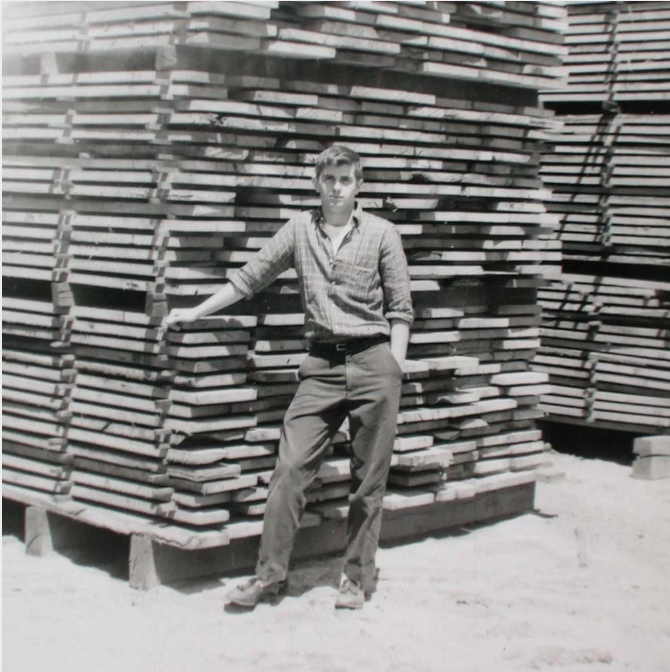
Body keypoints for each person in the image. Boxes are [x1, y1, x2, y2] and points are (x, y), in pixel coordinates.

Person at [167, 145, 413, 609]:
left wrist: (394, 368)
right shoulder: (300, 229)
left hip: (374, 362)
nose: (337, 187)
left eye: (346, 179)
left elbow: (401, 308)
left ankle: (356, 580)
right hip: (319, 367)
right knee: (290, 469)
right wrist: (195, 311)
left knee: (368, 482)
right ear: (316, 183)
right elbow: (250, 277)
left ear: (359, 185)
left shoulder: (382, 233)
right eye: (329, 178)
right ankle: (269, 577)